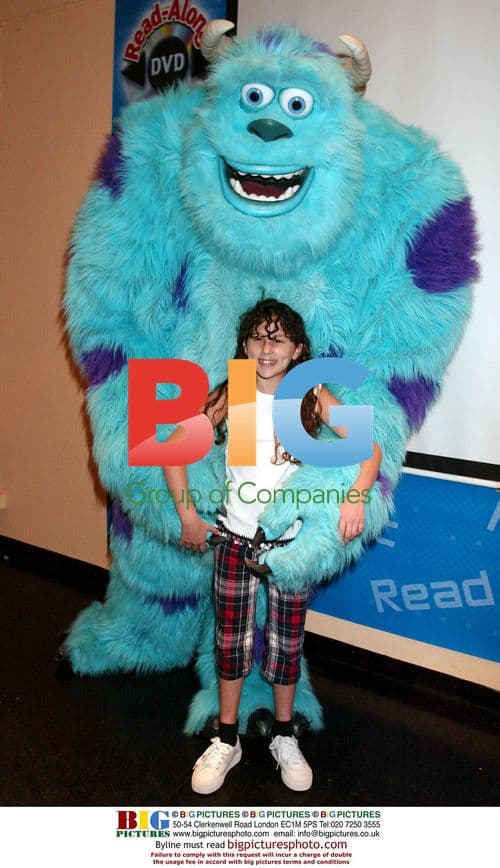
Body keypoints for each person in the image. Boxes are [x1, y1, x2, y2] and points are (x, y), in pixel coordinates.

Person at [163, 299, 382, 794]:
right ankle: (227, 739)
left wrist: (356, 498)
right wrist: (188, 517)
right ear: (244, 345)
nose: (267, 348)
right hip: (234, 542)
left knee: (285, 645)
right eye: (258, 337)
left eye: (278, 338)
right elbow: (175, 448)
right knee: (230, 642)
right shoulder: (234, 395)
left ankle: (285, 734)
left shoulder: (310, 396)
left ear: (297, 349)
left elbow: (370, 448)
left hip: (289, 551)